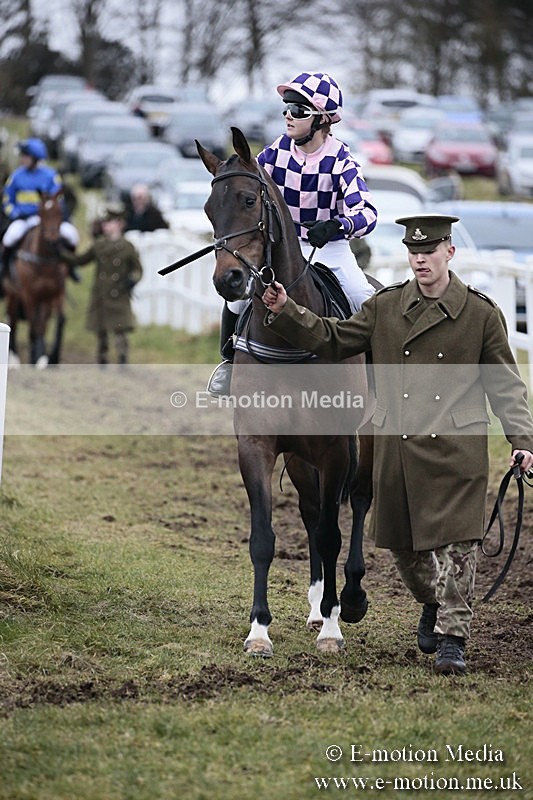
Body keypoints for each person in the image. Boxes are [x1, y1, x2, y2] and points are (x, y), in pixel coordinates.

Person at [261, 213, 533, 675]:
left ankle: (452, 638)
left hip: (456, 447)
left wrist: (521, 439)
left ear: (450, 252)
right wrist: (287, 310)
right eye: (414, 252)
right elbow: (333, 338)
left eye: (430, 251)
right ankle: (433, 601)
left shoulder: (482, 314)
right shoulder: (385, 308)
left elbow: (505, 384)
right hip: (398, 448)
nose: (421, 260)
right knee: (403, 548)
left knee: (458, 547)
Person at [210, 71, 377, 396]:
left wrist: (337, 225)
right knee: (237, 302)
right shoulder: (272, 155)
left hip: (330, 248)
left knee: (362, 298)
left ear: (322, 120)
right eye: (286, 108)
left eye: (298, 110)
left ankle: (377, 378)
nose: (288, 115)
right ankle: (229, 363)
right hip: (284, 247)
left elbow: (367, 213)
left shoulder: (342, 160)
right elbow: (246, 185)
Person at [59, 204, 143, 366]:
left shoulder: (127, 247)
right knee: (101, 330)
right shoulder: (99, 245)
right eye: (104, 223)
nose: (106, 226)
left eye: (109, 222)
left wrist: (132, 279)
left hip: (119, 294)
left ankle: (122, 358)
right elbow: (80, 260)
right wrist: (61, 253)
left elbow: (138, 269)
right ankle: (102, 358)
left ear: (119, 224)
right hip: (102, 294)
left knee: (121, 330)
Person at [1, 138, 80, 289]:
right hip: (23, 219)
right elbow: (7, 201)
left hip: (47, 220)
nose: (22, 159)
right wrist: (15, 213)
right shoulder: (15, 176)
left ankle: (71, 268)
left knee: (72, 235)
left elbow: (58, 200)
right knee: (9, 238)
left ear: (35, 158)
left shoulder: (50, 176)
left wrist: (49, 215)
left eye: (25, 156)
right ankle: (4, 269)